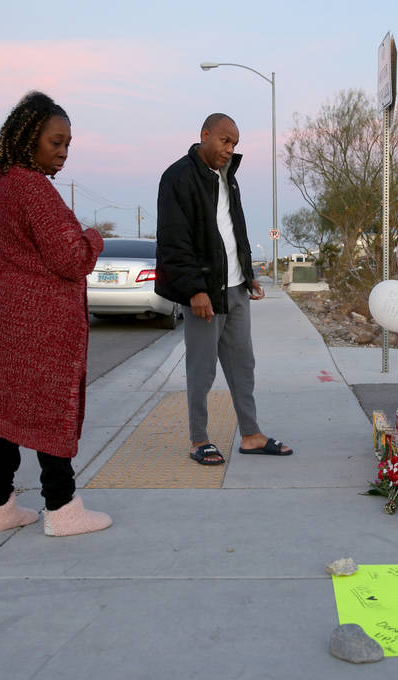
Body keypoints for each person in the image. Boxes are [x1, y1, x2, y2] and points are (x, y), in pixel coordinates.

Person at [0, 91, 112, 536]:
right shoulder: (32, 186)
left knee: (10, 408)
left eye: (68, 143)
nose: (63, 152)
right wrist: (93, 236)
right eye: (56, 141)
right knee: (50, 406)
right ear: (29, 137)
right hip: (39, 315)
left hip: (7, 307)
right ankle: (62, 507)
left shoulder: (2, 180)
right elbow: (71, 258)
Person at [155, 113, 293, 465]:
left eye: (234, 144)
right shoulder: (177, 178)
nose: (229, 149)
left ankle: (251, 434)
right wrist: (193, 290)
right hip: (204, 293)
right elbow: (174, 241)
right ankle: (198, 440)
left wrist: (248, 274)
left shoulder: (227, 177)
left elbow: (235, 229)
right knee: (202, 370)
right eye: (224, 141)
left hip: (235, 289)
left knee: (242, 364)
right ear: (204, 134)